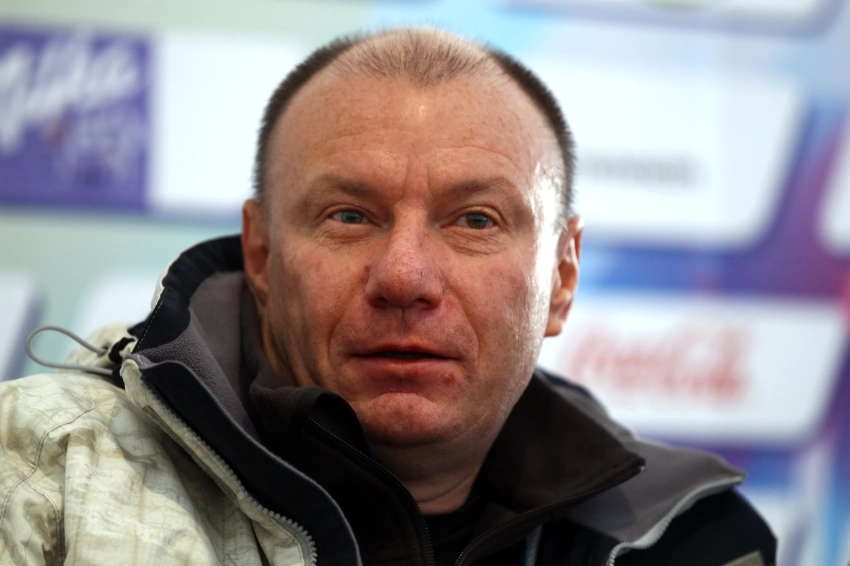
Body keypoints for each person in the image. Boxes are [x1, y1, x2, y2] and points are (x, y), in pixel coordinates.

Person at [0, 28, 775, 565]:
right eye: (350, 216)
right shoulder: (42, 475)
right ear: (262, 254)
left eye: (475, 220)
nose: (405, 278)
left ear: (562, 279)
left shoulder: (691, 540)